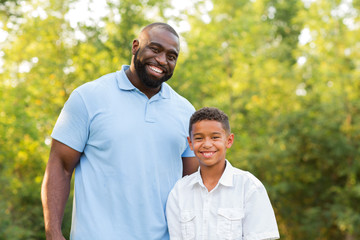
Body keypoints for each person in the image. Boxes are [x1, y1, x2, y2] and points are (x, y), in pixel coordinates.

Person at [41, 22, 198, 240]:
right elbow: (60, 166)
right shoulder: (88, 97)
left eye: (171, 56)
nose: (162, 60)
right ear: (136, 46)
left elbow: (191, 184)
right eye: (155, 49)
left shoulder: (186, 112)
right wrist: (53, 233)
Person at [166, 107, 280, 240]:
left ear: (229, 141)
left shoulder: (249, 187)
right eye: (199, 138)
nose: (207, 144)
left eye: (215, 137)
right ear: (190, 143)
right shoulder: (180, 191)